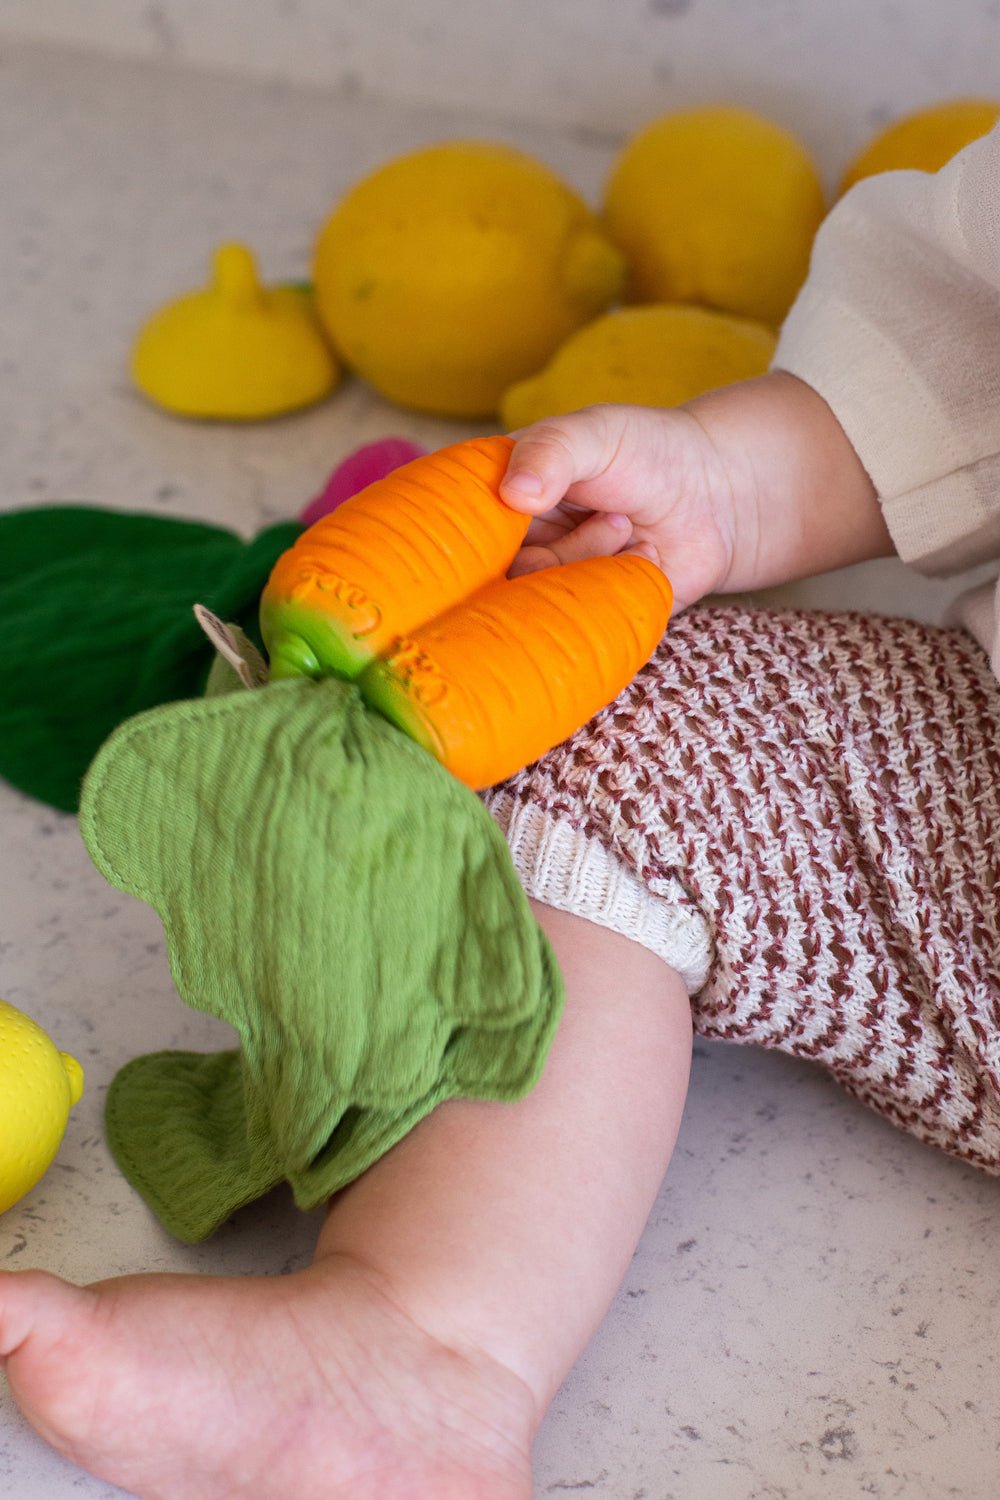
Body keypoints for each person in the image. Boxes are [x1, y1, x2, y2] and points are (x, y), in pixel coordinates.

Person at [1, 121, 999, 1500]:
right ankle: (425, 1344)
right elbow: (953, 350)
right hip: (965, 822)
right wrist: (727, 480)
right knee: (609, 709)